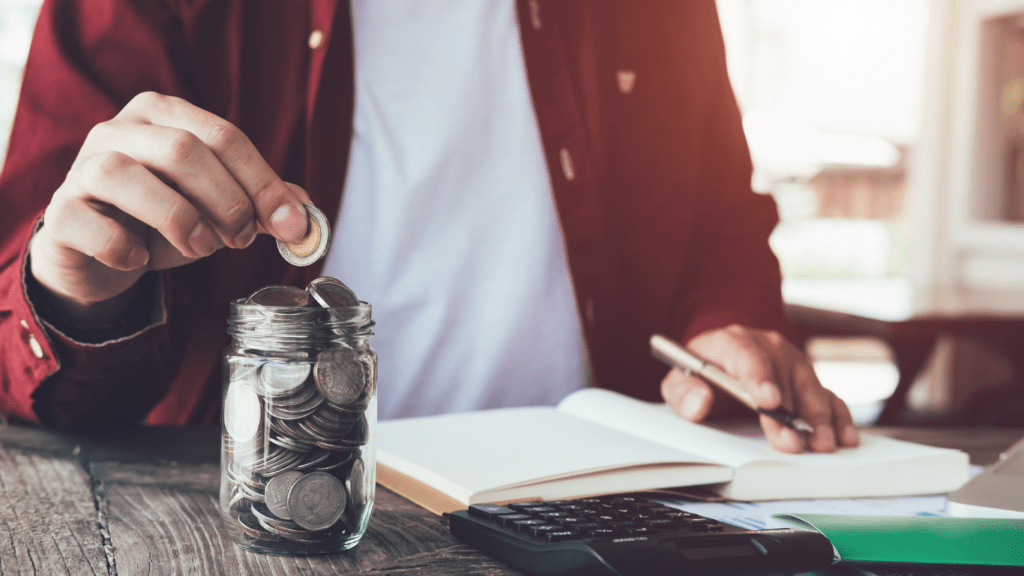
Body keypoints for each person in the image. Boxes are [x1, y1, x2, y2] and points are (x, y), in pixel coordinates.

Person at [0, 0, 858, 454]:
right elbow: (20, 330)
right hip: (256, 520)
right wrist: (76, 290)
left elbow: (717, 220)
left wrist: (730, 325)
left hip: (604, 509)